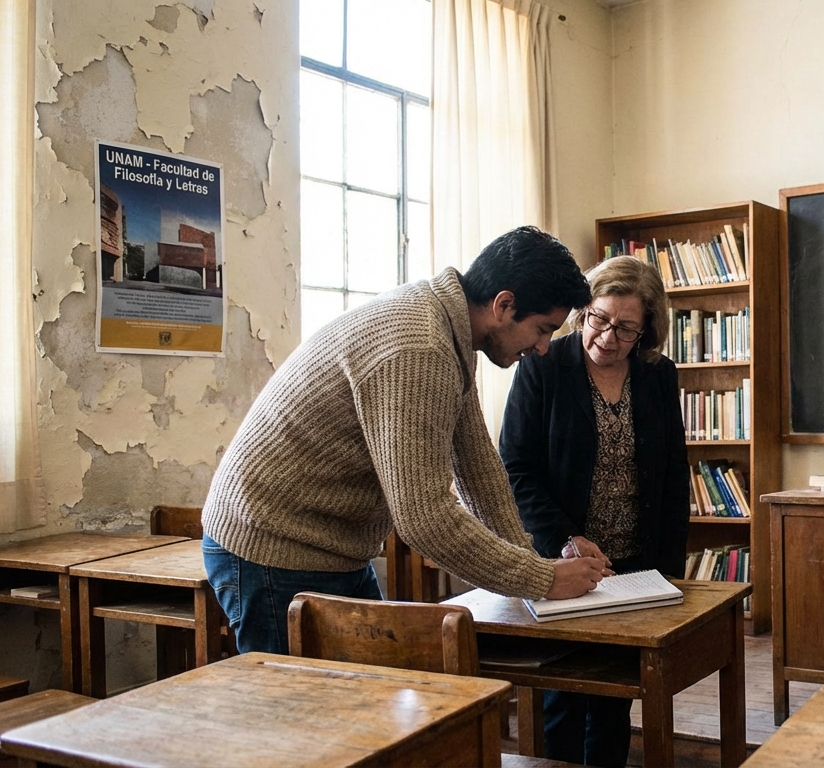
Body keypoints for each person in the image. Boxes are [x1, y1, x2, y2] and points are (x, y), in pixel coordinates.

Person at [202, 226, 609, 655]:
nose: (544, 348)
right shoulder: (420, 347)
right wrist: (541, 579)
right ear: (503, 305)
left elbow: (477, 466)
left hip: (326, 545)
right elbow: (424, 517)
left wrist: (533, 563)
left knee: (370, 704)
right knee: (302, 715)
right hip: (271, 547)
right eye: (543, 329)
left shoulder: (449, 330)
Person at [499, 256, 690, 768]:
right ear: (583, 311)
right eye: (599, 319)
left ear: (647, 330)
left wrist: (670, 568)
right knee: (562, 696)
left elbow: (674, 473)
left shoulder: (656, 374)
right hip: (563, 563)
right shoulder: (544, 364)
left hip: (635, 563)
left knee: (614, 699)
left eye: (626, 329)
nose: (607, 337)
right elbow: (516, 466)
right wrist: (563, 537)